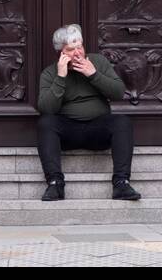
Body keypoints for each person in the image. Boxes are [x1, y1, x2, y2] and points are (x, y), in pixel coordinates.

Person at [36, 24, 140, 201]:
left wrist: (93, 74)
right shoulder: (50, 73)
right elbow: (47, 109)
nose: (78, 53)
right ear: (61, 52)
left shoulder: (98, 62)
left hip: (97, 128)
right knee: (45, 123)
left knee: (122, 122)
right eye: (71, 49)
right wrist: (61, 78)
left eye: (80, 47)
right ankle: (55, 184)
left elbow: (118, 93)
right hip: (67, 132)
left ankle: (121, 183)